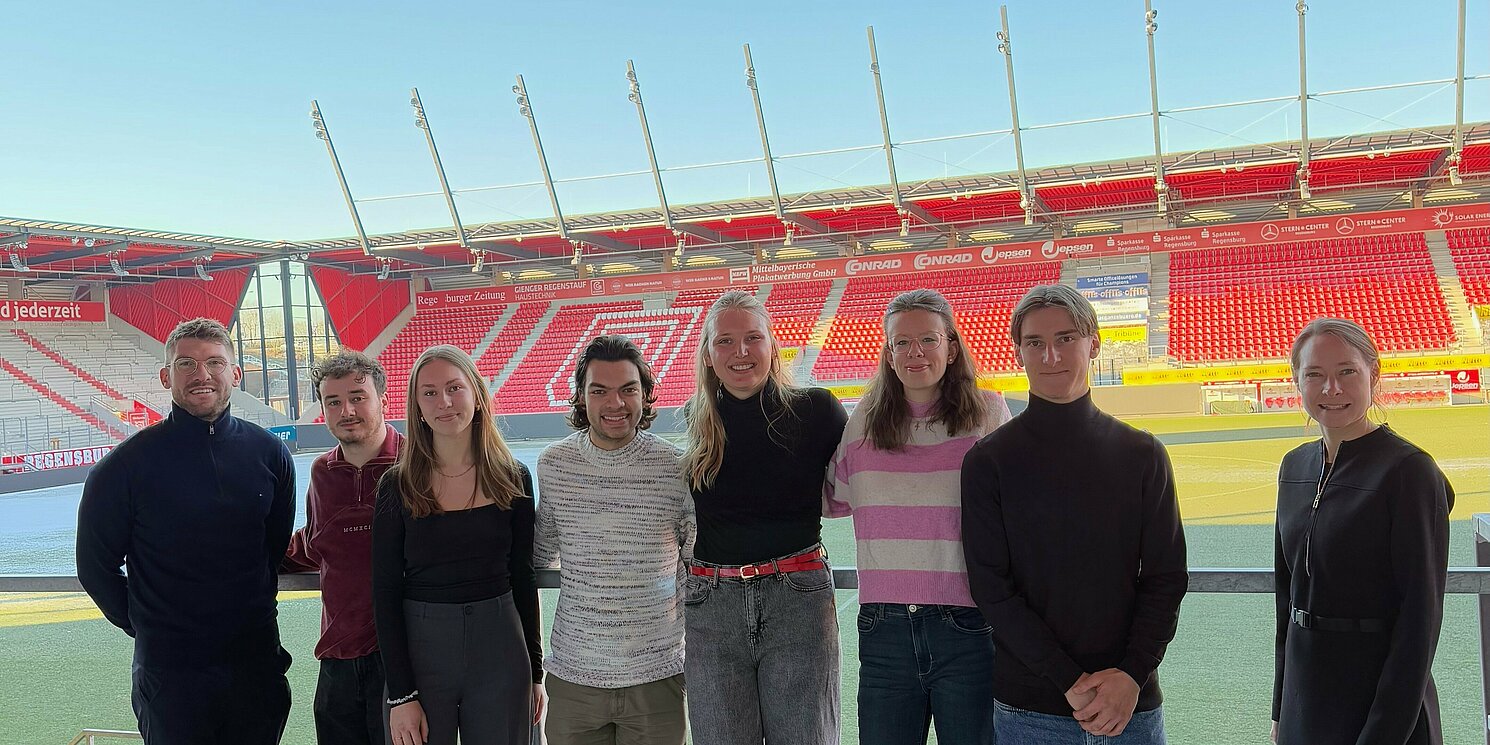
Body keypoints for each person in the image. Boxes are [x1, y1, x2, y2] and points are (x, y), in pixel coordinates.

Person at [961, 284, 1187, 744]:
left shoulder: (1143, 454)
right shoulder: (989, 461)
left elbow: (1166, 577)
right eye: (1034, 343)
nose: (1050, 356)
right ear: (1018, 351)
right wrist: (1067, 679)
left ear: (1094, 343)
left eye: (1066, 339)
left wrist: (1130, 675)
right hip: (1030, 709)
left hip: (1130, 704)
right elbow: (991, 588)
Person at [76, 317, 296, 745]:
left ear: (235, 373)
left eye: (215, 363)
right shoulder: (125, 467)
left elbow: (271, 550)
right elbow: (95, 567)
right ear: (165, 376)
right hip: (171, 676)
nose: (202, 375)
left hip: (256, 665)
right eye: (186, 364)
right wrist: (148, 626)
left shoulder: (270, 455)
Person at [824, 289, 1011, 745]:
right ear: (888, 354)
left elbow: (1019, 510)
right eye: (901, 343)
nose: (915, 353)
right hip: (883, 627)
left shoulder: (989, 413)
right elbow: (831, 499)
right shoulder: (863, 419)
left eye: (928, 340)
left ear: (951, 345)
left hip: (967, 623)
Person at [1272, 318, 1453, 745]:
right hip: (1306, 702)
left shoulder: (1408, 471)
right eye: (1314, 374)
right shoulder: (1294, 467)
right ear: (1297, 381)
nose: (1331, 388)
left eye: (1346, 372)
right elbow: (1288, 598)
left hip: (1382, 706)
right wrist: (1282, 708)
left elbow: (1420, 620)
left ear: (1373, 374)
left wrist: (1383, 733)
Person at [680, 290, 849, 745]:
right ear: (709, 355)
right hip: (710, 607)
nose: (740, 352)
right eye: (725, 341)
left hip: (797, 598)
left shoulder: (817, 410)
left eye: (753, 337)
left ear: (772, 345)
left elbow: (871, 475)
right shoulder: (696, 419)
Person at [371, 344, 544, 745]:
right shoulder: (397, 487)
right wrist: (401, 695)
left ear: (478, 395)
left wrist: (535, 674)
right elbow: (385, 592)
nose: (444, 402)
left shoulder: (513, 478)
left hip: (500, 647)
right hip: (422, 650)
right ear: (416, 406)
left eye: (454, 388)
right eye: (429, 392)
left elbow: (523, 578)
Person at [535, 334, 695, 745]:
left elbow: (697, 565)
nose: (615, 404)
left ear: (645, 394)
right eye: (600, 391)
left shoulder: (675, 468)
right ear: (581, 397)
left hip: (657, 679)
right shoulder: (554, 465)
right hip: (574, 680)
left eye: (628, 389)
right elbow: (538, 552)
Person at [283, 350, 404, 745]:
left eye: (357, 397)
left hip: (403, 658)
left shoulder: (417, 463)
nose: (346, 410)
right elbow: (316, 543)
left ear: (383, 400)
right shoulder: (323, 472)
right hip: (337, 655)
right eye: (333, 401)